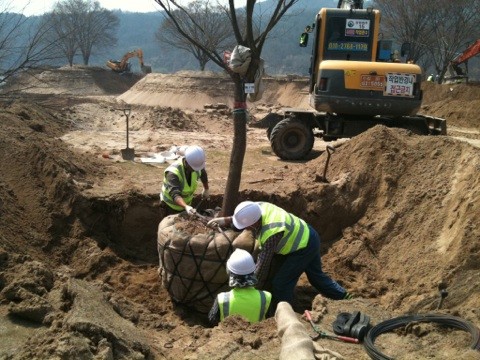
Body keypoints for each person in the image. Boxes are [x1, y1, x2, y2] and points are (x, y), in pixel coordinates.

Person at [207, 201, 353, 314]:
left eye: (247, 226)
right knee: (317, 277)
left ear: (255, 222)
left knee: (281, 283)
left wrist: (250, 287)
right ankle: (345, 297)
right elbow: (244, 216)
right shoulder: (257, 207)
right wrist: (225, 220)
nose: (246, 229)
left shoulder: (271, 232)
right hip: (306, 234)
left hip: (302, 248)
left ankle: (285, 313)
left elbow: (263, 264)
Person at [208, 248, 272, 326]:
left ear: (229, 273)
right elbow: (270, 323)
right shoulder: (266, 297)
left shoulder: (221, 299)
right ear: (252, 272)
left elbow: (212, 321)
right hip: (257, 337)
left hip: (230, 337)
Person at [160, 145, 209, 216]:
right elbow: (175, 194)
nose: (195, 170)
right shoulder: (173, 173)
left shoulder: (196, 165)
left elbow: (203, 173)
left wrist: (206, 189)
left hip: (186, 206)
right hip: (170, 208)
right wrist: (186, 207)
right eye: (193, 168)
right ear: (186, 161)